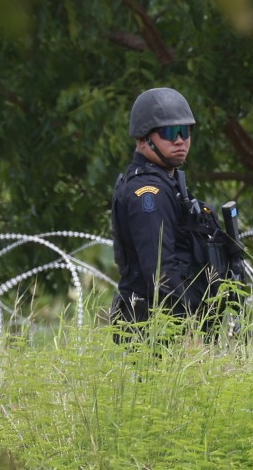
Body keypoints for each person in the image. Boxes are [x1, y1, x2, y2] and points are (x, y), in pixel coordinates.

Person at [109, 87, 215, 340]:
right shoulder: (149, 193)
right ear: (143, 139)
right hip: (154, 331)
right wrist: (189, 328)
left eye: (185, 131)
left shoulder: (167, 183)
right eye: (169, 132)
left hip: (167, 328)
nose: (179, 140)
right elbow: (160, 272)